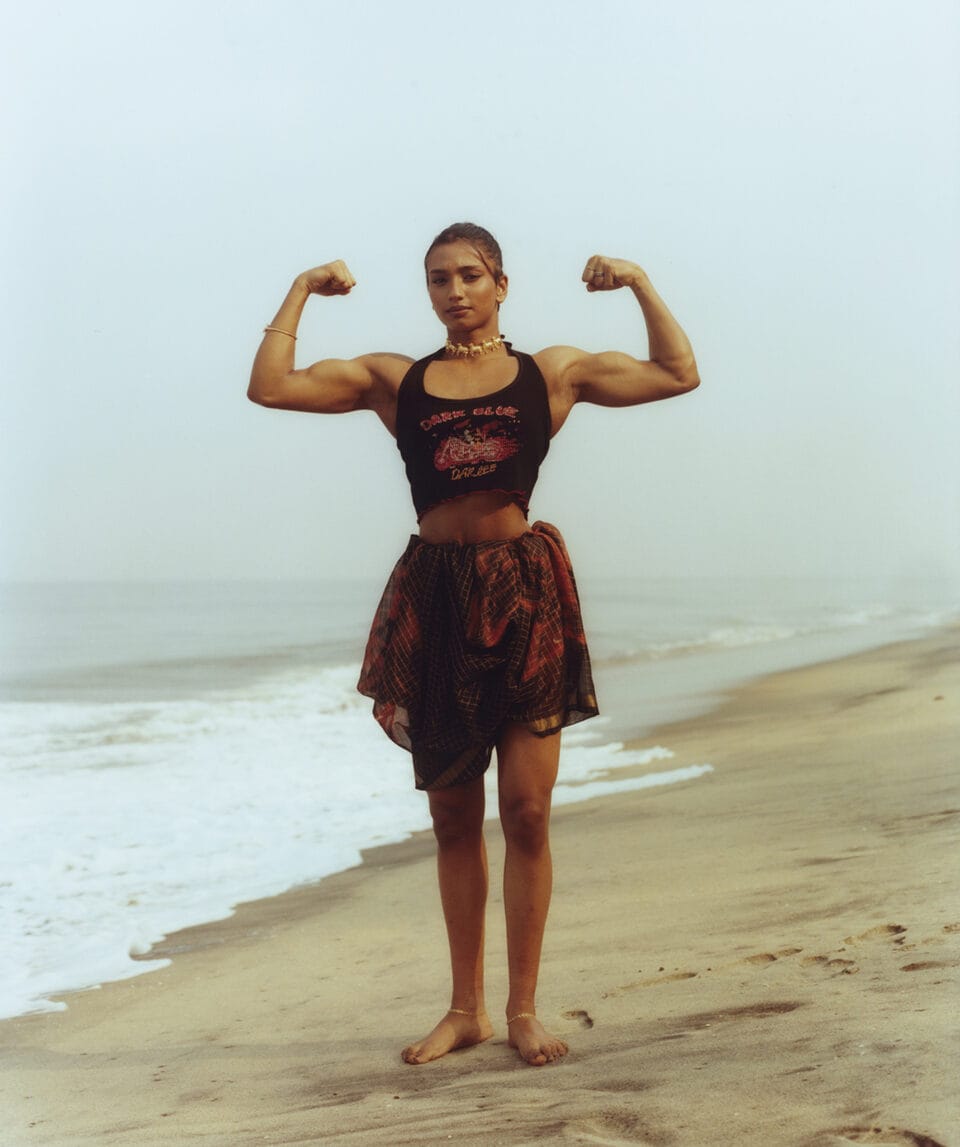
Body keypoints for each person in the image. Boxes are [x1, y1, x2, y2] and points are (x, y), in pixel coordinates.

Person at [247, 223, 699, 1067]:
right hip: (438, 597)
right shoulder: (398, 382)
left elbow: (679, 372)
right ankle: (466, 1009)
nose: (452, 291)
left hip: (524, 592)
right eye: (437, 280)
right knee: (454, 815)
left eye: (467, 276)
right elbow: (269, 387)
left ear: (499, 283)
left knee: (526, 812)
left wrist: (637, 278)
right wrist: (305, 286)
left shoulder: (550, 373)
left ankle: (522, 1008)